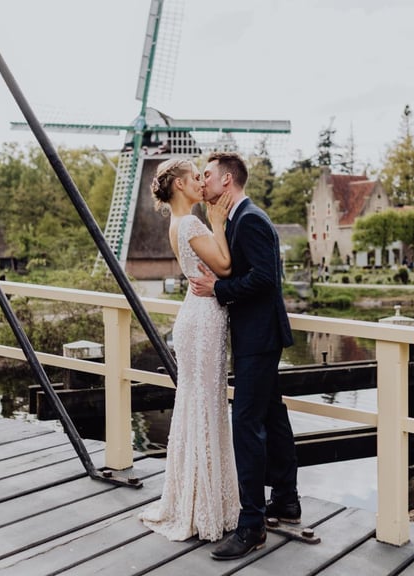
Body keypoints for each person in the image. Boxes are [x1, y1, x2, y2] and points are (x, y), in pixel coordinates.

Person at [189, 152, 299, 561]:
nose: (203, 182)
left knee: (247, 423)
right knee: (271, 414)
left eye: (208, 176)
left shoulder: (250, 218)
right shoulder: (235, 218)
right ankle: (286, 500)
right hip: (256, 335)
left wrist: (217, 290)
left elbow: (266, 279)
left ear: (228, 179)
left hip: (259, 337)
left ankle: (251, 525)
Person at [139, 158, 239, 542]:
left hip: (197, 316)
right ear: (179, 185)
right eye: (195, 177)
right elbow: (226, 268)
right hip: (203, 320)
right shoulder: (194, 224)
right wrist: (218, 224)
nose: (201, 182)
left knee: (199, 404)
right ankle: (202, 504)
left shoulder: (176, 225)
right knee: (204, 405)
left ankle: (197, 496)